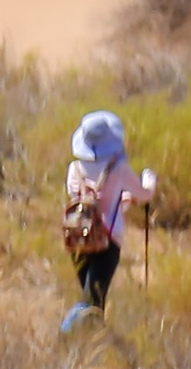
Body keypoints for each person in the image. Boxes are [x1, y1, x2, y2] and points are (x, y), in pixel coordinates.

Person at [60, 111, 155, 335]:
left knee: (94, 298)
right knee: (92, 301)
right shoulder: (118, 168)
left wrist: (121, 202)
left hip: (79, 241)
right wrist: (150, 181)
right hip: (107, 241)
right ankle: (64, 334)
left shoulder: (74, 169)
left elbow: (88, 204)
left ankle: (91, 345)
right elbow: (144, 195)